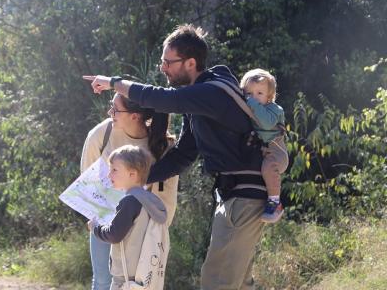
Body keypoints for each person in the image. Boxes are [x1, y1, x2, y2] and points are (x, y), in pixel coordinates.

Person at [84, 24, 272, 290]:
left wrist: (114, 83)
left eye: (167, 62)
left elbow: (163, 99)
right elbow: (183, 156)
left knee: (217, 281)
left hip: (243, 195)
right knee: (238, 282)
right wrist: (137, 179)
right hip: (234, 194)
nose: (163, 68)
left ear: (190, 63)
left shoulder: (212, 92)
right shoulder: (199, 105)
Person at [81, 93, 178, 290]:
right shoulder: (101, 134)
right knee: (102, 281)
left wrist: (159, 231)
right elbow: (86, 177)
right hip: (104, 218)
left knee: (137, 284)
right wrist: (94, 218)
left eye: (115, 109)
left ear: (135, 115)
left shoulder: (162, 144)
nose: (110, 112)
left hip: (141, 231)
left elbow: (167, 195)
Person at [88, 145, 168, 290]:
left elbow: (114, 235)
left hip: (125, 279)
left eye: (114, 170)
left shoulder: (129, 201)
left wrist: (95, 228)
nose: (109, 175)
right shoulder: (151, 200)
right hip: (145, 275)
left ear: (132, 174)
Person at [240, 68, 288, 223]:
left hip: (276, 153)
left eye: (259, 93)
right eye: (249, 94)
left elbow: (267, 124)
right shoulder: (252, 108)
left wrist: (252, 103)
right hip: (262, 150)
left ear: (270, 96)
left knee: (268, 168)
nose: (253, 97)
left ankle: (275, 203)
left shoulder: (274, 109)